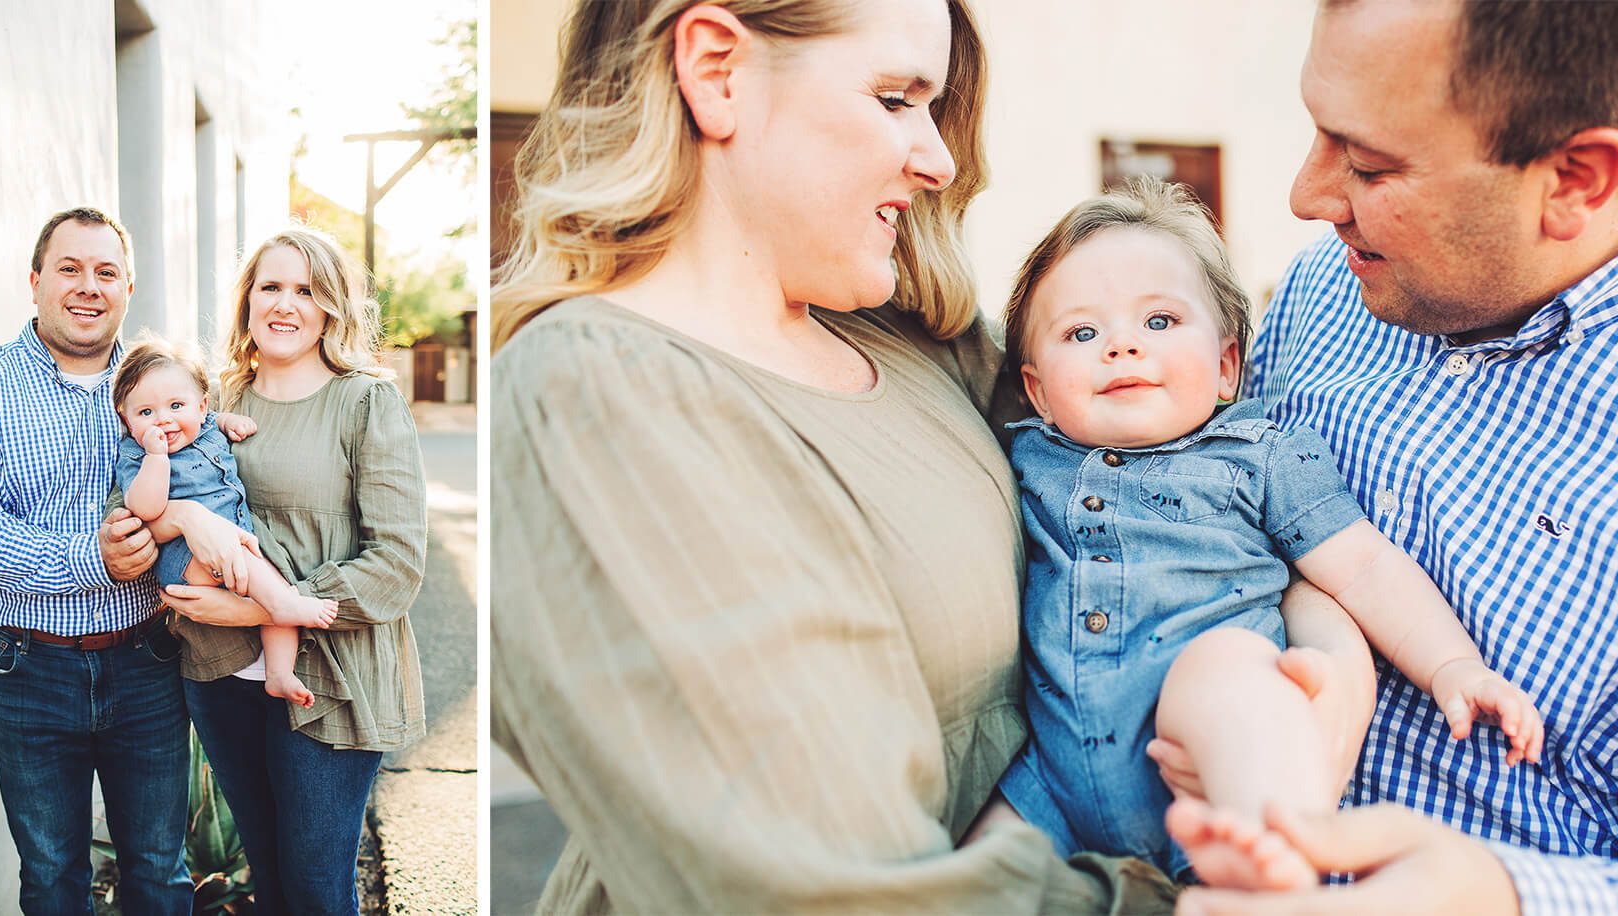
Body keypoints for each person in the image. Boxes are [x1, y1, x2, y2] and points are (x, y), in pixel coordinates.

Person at [1156, 1, 1618, 912]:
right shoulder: (1325, 287)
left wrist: (1503, 894)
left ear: (1576, 177)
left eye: (1368, 164)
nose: (1308, 196)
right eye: (1319, 134)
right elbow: (1245, 525)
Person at [490, 0, 1194, 912]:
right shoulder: (586, 396)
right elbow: (835, 895)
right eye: (897, 98)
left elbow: (1204, 490)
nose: (939, 159)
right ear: (715, 70)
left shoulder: (924, 347)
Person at [974, 177, 1542, 891]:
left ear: (1225, 366)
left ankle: (1271, 861)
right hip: (1053, 781)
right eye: (1082, 333)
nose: (1121, 346)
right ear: (1036, 391)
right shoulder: (1028, 457)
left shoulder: (1262, 454)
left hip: (1209, 765)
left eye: (1159, 323)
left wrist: (1453, 666)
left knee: (1229, 669)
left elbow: (1363, 566)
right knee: (973, 872)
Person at [148, 226, 428, 915]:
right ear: (248, 300)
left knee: (314, 891)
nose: (285, 304)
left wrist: (261, 607)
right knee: (268, 885)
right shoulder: (208, 399)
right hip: (219, 672)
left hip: (329, 678)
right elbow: (141, 491)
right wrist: (184, 517)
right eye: (270, 286)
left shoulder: (365, 402)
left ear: (332, 306)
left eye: (306, 289)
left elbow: (396, 564)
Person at [0, 206, 193, 915]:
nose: (88, 286)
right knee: (50, 876)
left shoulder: (158, 387)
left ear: (128, 289)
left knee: (161, 873)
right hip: (26, 670)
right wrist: (91, 557)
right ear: (36, 281)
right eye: (70, 269)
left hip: (149, 662)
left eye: (107, 272)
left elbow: (213, 462)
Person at [111, 335, 339, 707]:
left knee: (274, 576)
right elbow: (145, 507)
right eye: (146, 413)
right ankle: (281, 606)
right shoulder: (137, 454)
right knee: (272, 588)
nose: (164, 420)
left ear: (201, 407)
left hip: (238, 540)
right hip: (186, 561)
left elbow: (215, 419)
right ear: (126, 416)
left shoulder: (207, 425)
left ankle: (280, 674)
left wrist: (230, 421)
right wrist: (156, 457)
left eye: (175, 406)